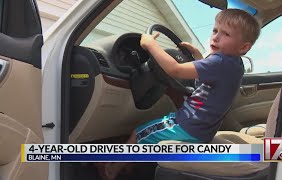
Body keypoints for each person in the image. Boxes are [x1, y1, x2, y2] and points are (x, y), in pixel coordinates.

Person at [98, 8, 261, 180]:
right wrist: (198, 56)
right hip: (201, 130)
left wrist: (150, 45)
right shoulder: (234, 64)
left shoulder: (219, 62)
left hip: (187, 127)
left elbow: (175, 69)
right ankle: (130, 163)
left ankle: (112, 169)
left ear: (244, 47)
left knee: (138, 134)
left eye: (226, 34)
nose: (216, 37)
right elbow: (208, 79)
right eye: (215, 30)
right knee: (152, 129)